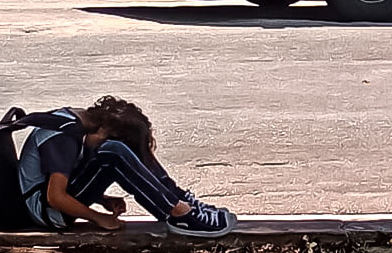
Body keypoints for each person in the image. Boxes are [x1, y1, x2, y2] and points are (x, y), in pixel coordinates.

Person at [17, 96, 235, 239]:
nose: (97, 149)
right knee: (113, 152)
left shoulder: (81, 122)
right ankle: (179, 214)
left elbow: (63, 177)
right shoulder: (64, 137)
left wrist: (101, 199)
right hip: (45, 213)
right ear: (103, 129)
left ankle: (181, 201)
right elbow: (55, 196)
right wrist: (97, 217)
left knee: (117, 150)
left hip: (48, 204)